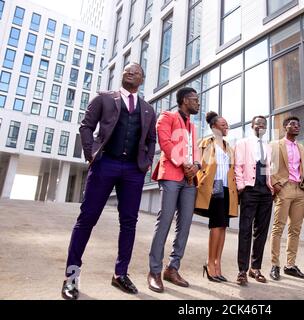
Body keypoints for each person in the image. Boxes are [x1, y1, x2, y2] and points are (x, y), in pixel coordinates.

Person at [61, 63, 157, 300]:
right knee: (87, 219)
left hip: (133, 170)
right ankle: (71, 277)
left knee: (129, 223)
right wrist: (91, 154)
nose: (129, 73)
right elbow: (86, 126)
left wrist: (145, 162)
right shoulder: (104, 98)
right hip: (105, 163)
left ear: (142, 79)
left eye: (135, 71)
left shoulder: (147, 109)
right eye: (126, 70)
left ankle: (120, 274)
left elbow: (151, 139)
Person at [148, 87, 201, 293]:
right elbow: (166, 143)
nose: (198, 103)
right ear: (184, 100)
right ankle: (154, 271)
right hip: (171, 175)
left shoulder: (192, 126)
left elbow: (195, 149)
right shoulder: (167, 116)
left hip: (189, 180)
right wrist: (184, 165)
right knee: (165, 221)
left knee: (185, 224)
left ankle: (172, 268)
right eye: (195, 100)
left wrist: (196, 165)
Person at [194, 112, 238, 282]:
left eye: (227, 124)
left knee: (223, 226)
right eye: (223, 124)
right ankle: (210, 263)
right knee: (216, 226)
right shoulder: (204, 143)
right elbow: (198, 166)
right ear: (214, 127)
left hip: (228, 189)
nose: (226, 127)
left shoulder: (229, 147)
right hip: (214, 188)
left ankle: (217, 263)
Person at [234, 116, 273, 286]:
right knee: (245, 231)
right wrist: (242, 187)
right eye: (258, 124)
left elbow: (272, 168)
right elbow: (238, 166)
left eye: (264, 124)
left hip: (265, 191)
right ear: (252, 126)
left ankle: (255, 268)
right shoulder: (243, 143)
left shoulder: (268, 146)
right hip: (250, 190)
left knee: (261, 232)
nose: (261, 126)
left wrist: (272, 187)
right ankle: (242, 270)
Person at [269, 116, 304, 281]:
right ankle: (275, 265)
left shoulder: (300, 147)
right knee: (278, 227)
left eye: (298, 124)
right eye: (292, 124)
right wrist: (274, 183)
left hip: (299, 190)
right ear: (285, 127)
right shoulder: (275, 144)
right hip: (284, 188)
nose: (296, 126)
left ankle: (290, 265)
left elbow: (302, 167)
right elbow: (267, 165)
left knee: (295, 230)